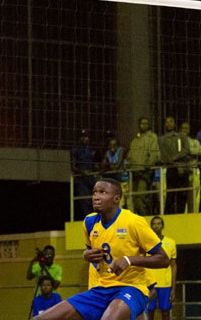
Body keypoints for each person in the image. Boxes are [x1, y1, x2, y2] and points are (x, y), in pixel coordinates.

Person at [31, 178, 170, 320]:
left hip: (132, 288)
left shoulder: (134, 222)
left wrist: (129, 260)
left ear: (116, 199)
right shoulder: (89, 222)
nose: (96, 197)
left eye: (102, 192)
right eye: (94, 192)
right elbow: (89, 250)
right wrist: (86, 254)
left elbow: (164, 259)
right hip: (100, 290)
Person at [127, 117, 160, 215]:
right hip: (134, 173)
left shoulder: (152, 137)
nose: (144, 125)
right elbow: (130, 156)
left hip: (145, 173)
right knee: (134, 199)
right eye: (142, 123)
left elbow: (154, 153)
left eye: (146, 123)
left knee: (142, 197)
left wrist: (147, 165)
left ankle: (145, 217)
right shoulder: (135, 140)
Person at [158, 117, 192, 214]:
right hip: (171, 169)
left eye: (171, 122)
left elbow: (186, 150)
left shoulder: (181, 136)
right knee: (170, 194)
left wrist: (174, 158)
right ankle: (169, 214)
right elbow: (162, 153)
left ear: (175, 124)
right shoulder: (161, 139)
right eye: (167, 122)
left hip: (182, 168)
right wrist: (169, 160)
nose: (169, 124)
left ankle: (181, 213)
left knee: (182, 194)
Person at [147, 216, 177, 320]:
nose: (156, 226)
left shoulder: (171, 242)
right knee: (149, 313)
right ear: (151, 226)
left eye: (159, 224)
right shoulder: (146, 242)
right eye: (154, 224)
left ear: (163, 226)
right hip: (150, 285)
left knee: (165, 313)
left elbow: (173, 265)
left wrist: (173, 288)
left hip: (166, 284)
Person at [71, 130, 97, 218]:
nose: (86, 139)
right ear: (80, 138)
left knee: (95, 199)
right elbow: (73, 167)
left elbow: (94, 163)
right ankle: (88, 219)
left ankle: (96, 218)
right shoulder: (75, 150)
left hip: (91, 178)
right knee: (84, 201)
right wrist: (82, 172)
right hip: (81, 180)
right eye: (84, 137)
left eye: (87, 137)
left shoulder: (90, 149)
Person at [102, 138, 128, 207]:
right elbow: (102, 166)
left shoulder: (121, 151)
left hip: (125, 180)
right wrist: (106, 166)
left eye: (114, 145)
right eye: (110, 144)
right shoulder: (108, 153)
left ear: (117, 145)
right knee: (120, 202)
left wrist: (109, 166)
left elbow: (118, 165)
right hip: (116, 181)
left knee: (128, 201)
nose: (112, 146)